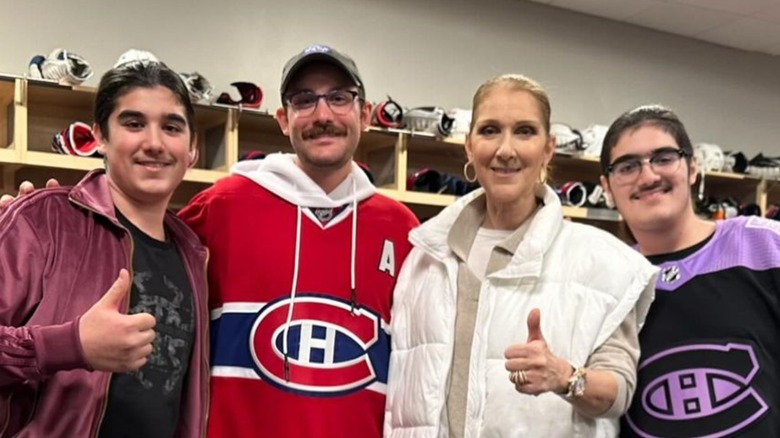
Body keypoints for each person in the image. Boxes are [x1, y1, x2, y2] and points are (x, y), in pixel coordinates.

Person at [384, 74, 658, 437]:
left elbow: (620, 391)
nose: (506, 150)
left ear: (548, 148)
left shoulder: (603, 263)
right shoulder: (425, 256)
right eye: (490, 130)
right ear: (469, 146)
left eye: (525, 131)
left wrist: (565, 377)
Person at [177, 44, 419, 438]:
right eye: (304, 100)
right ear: (283, 120)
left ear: (363, 113)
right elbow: (139, 264)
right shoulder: (221, 208)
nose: (323, 115)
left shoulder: (402, 229)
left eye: (339, 98)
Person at [0, 60, 209, 437]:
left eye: (172, 127)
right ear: (99, 136)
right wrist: (69, 345)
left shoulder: (193, 250)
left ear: (192, 148)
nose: (154, 143)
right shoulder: (42, 219)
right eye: (133, 123)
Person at [598, 105, 780, 438]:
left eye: (664, 157)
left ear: (693, 167)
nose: (649, 176)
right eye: (627, 166)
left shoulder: (765, 246)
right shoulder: (607, 279)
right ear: (607, 187)